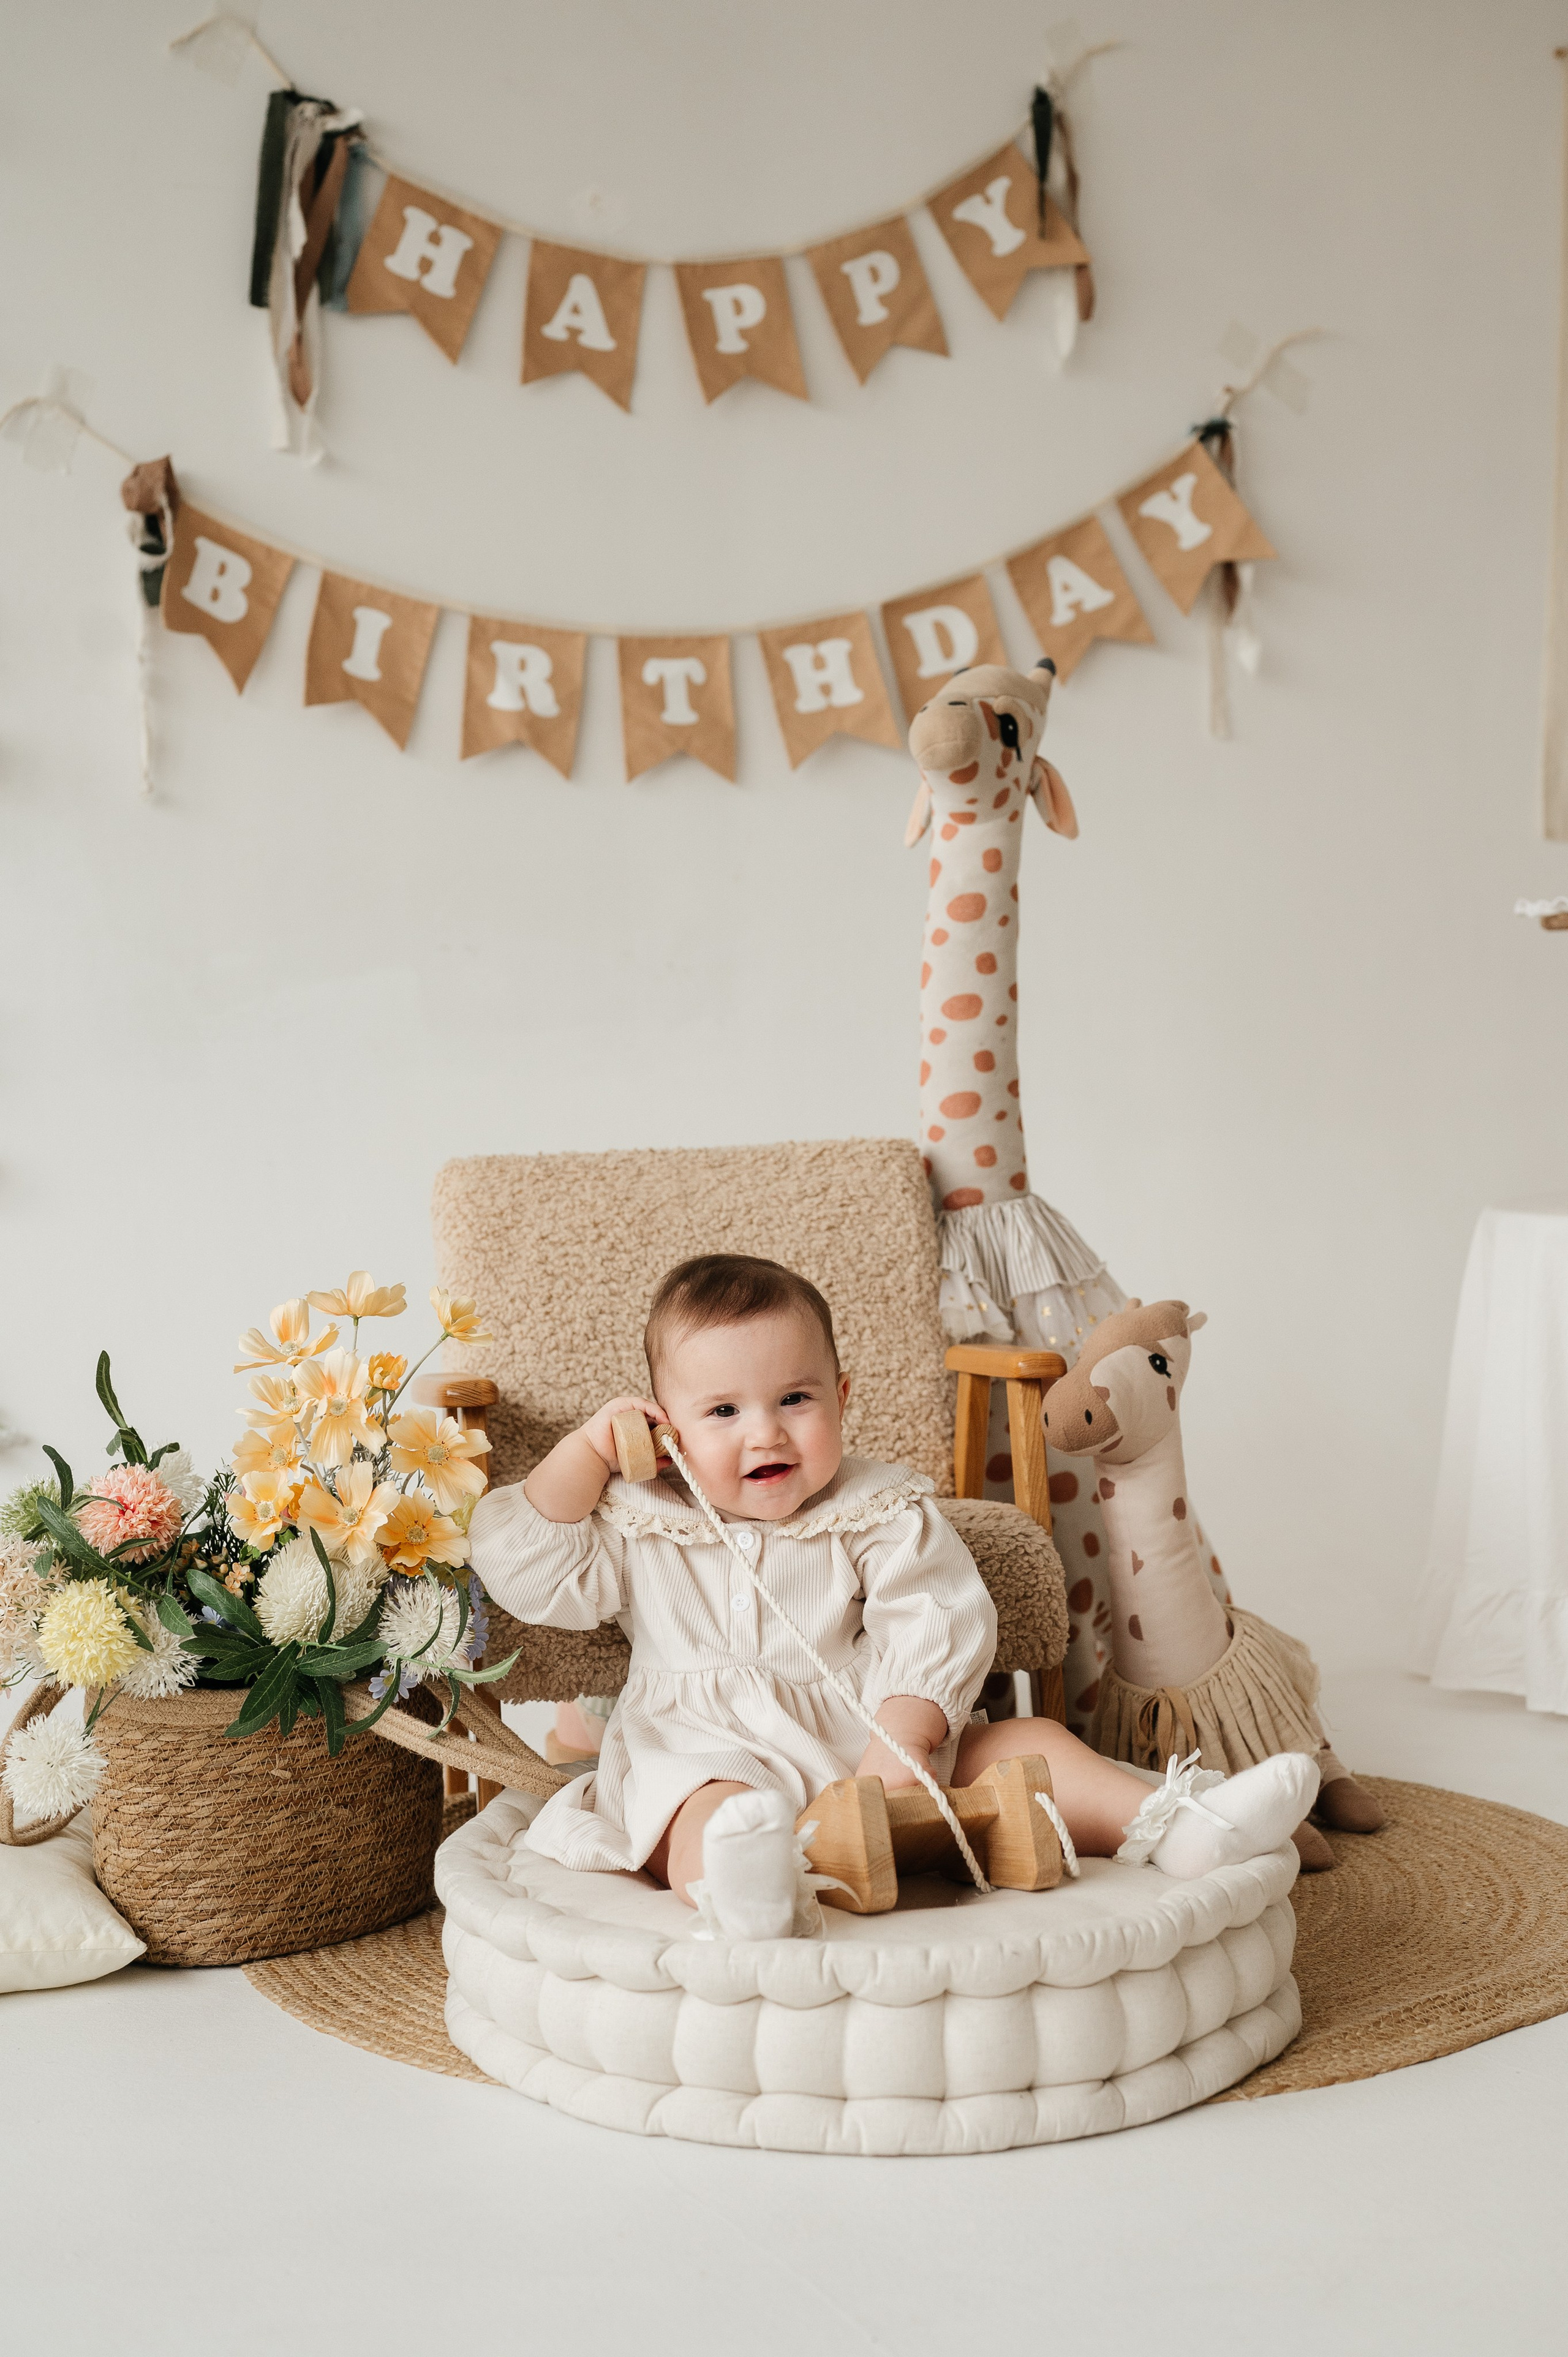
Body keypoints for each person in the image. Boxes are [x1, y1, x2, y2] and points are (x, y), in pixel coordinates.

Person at [469, 1254, 1316, 1939]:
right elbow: (525, 1568)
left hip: (866, 1732)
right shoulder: (642, 1521)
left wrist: (904, 1743)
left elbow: (937, 1618)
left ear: (841, 1400)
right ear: (666, 1431)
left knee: (1029, 1742)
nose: (766, 1431)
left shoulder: (876, 1508)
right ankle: (746, 1889)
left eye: (794, 1399)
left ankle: (1180, 1824)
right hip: (707, 1743)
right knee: (699, 1808)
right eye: (723, 1410)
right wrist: (591, 1452)